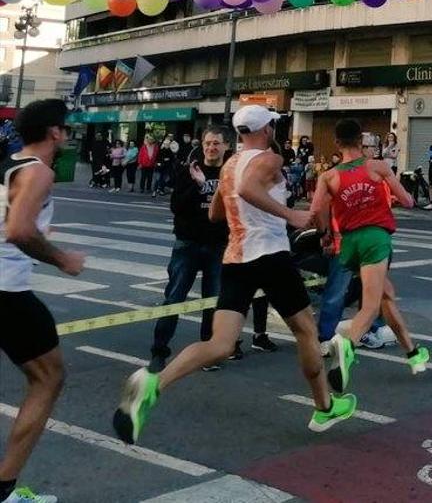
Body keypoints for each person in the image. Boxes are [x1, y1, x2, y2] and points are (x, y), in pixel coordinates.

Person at [113, 106, 356, 445]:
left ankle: (155, 383)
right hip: (270, 255)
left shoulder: (229, 164)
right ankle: (324, 406)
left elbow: (216, 212)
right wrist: (292, 216)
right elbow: (245, 190)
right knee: (305, 331)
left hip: (236, 259)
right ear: (267, 129)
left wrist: (244, 214)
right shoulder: (270, 159)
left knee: (220, 344)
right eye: (272, 123)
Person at [1, 100, 86, 503]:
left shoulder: (7, 164)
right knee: (49, 378)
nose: (67, 135)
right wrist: (61, 259)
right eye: (65, 128)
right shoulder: (38, 172)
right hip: (7, 293)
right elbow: (18, 230)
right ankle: (4, 490)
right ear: (54, 132)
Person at [311, 119, 430, 394]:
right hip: (375, 239)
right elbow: (409, 201)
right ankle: (346, 345)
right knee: (372, 305)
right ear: (361, 141)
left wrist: (325, 234)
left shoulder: (328, 177)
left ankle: (413, 353)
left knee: (386, 296)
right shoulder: (378, 167)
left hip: (349, 243)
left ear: (338, 144)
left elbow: (317, 210)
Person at [148, 126, 277, 374]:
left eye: (216, 143)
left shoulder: (232, 172)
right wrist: (198, 185)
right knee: (174, 297)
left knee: (213, 300)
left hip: (219, 245)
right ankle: (159, 350)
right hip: (188, 243)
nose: (211, 148)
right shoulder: (189, 170)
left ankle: (207, 353)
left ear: (226, 146)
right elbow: (176, 206)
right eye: (207, 143)